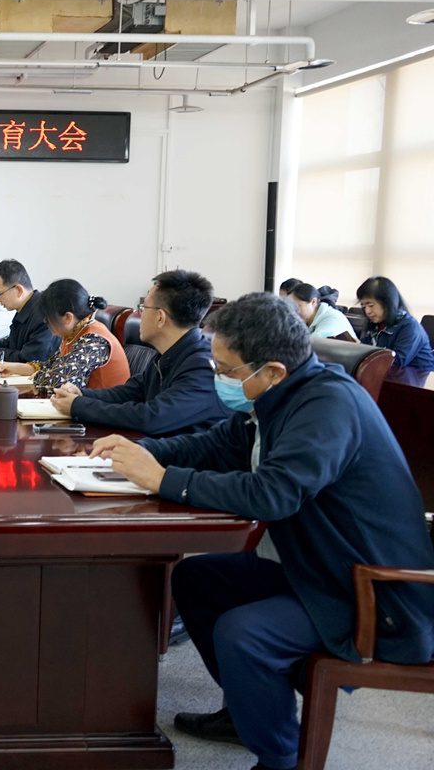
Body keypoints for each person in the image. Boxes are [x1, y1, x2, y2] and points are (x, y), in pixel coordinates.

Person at [89, 292, 434, 770]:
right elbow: (215, 444)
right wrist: (140, 453)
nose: (218, 377)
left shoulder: (328, 405)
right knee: (196, 580)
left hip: (371, 589)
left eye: (226, 369)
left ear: (271, 370)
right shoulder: (280, 394)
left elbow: (274, 494)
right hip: (314, 562)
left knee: (245, 634)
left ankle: (280, 758)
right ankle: (247, 709)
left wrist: (164, 480)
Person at [51, 270, 231, 436]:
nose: (140, 314)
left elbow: (153, 417)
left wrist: (79, 406)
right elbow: (129, 393)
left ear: (160, 318)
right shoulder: (168, 353)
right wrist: (81, 395)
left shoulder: (202, 367)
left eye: (143, 308)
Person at [0, 279, 129, 392]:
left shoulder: (94, 340)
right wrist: (14, 368)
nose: (45, 323)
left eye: (48, 319)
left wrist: (41, 376)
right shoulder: (74, 333)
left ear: (68, 318)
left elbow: (60, 380)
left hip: (105, 412)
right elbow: (51, 365)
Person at [356, 276, 434, 371]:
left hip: (418, 377)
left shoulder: (409, 326)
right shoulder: (374, 324)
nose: (367, 311)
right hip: (386, 375)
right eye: (364, 306)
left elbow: (397, 362)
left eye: (371, 305)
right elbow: (364, 351)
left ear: (387, 303)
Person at [287, 282, 358, 341]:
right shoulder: (306, 320)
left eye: (297, 306)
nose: (293, 311)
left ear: (313, 302)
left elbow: (311, 344)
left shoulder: (332, 318)